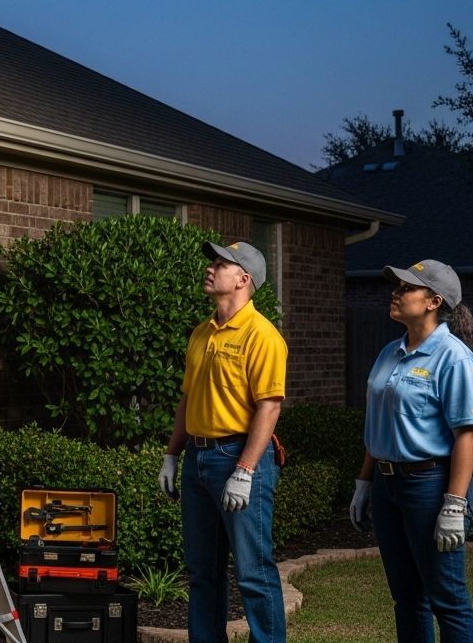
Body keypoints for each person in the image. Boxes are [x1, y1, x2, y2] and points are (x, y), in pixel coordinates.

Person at [158, 241, 287, 643]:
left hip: (238, 457)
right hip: (197, 457)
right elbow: (188, 398)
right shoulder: (202, 332)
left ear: (243, 279)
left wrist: (245, 470)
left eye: (220, 265)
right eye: (212, 263)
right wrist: (172, 454)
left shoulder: (262, 335)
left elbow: (269, 406)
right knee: (202, 571)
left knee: (253, 571)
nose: (210, 269)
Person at [349, 260, 473, 642]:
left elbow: (467, 434)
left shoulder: (454, 358)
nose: (396, 292)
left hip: (431, 485)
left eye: (407, 287)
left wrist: (454, 505)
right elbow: (380, 423)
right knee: (406, 597)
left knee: (447, 598)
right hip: (387, 486)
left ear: (433, 302)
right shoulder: (389, 352)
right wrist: (364, 482)